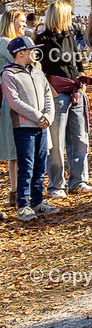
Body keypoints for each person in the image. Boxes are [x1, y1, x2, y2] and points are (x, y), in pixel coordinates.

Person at [34, 0, 92, 197]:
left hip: (75, 91)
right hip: (56, 94)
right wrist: (48, 88)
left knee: (79, 138)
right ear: (60, 16)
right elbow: (37, 68)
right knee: (56, 142)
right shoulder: (42, 39)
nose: (71, 17)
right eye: (68, 14)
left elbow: (77, 60)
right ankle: (56, 185)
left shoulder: (69, 35)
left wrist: (81, 77)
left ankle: (78, 180)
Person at [1, 36, 57, 223]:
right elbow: (14, 102)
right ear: (20, 53)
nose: (35, 52)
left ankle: (37, 202)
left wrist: (48, 117)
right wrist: (37, 116)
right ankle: (23, 205)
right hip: (25, 127)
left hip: (42, 126)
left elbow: (48, 94)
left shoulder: (37, 72)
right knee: (27, 166)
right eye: (31, 50)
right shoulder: (9, 74)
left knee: (40, 166)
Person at [0, 8, 25, 208]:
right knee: (15, 150)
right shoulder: (4, 43)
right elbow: (23, 64)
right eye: (21, 21)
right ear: (11, 22)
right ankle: (16, 192)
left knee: (19, 149)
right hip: (9, 100)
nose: (24, 24)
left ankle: (19, 191)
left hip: (21, 98)